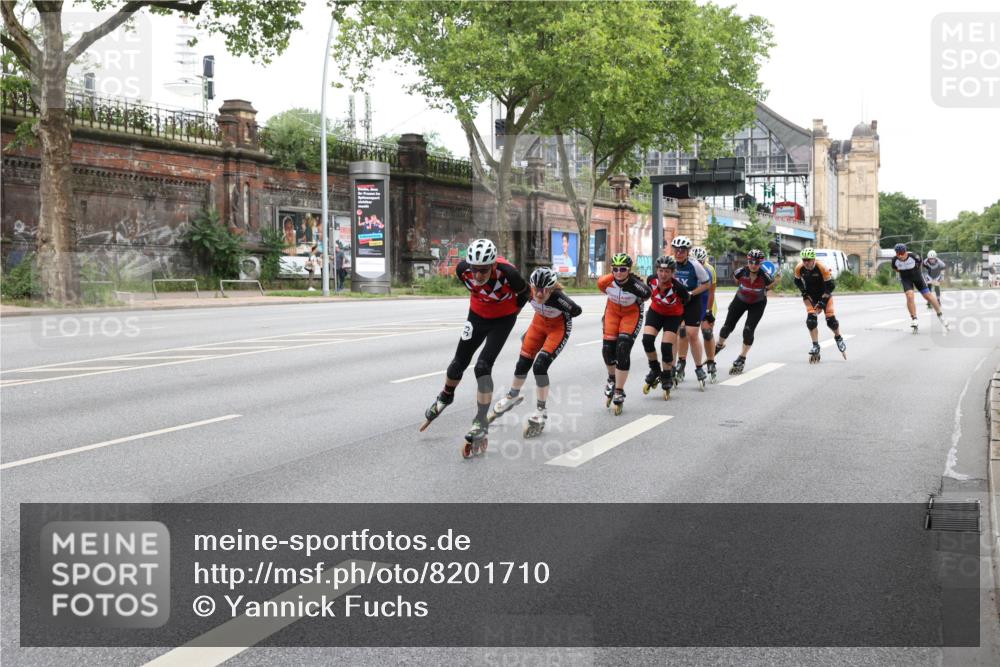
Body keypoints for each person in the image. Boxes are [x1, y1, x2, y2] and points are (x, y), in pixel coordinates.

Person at [420, 239, 529, 458]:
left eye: (483, 270)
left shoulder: (508, 273)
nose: (478, 275)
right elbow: (476, 290)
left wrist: (508, 315)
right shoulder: (462, 270)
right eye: (475, 270)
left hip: (503, 319)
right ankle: (445, 396)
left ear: (493, 266)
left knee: (482, 367)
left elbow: (525, 295)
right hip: (477, 315)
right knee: (457, 364)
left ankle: (480, 422)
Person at [490, 267, 582, 437]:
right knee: (523, 361)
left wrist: (562, 310)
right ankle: (512, 396)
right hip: (538, 324)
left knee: (540, 366)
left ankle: (541, 410)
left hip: (558, 328)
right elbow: (513, 308)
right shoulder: (527, 292)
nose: (539, 294)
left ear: (552, 289)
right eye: (537, 289)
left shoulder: (559, 298)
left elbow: (577, 311)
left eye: (545, 290)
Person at [597, 253, 652, 415]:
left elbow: (647, 295)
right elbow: (606, 292)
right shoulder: (603, 282)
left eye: (623, 269)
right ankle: (611, 378)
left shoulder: (638, 286)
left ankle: (619, 390)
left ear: (629, 270)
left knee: (622, 347)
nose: (619, 272)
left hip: (631, 315)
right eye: (615, 269)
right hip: (612, 313)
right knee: (607, 349)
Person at [715, 249, 774, 375]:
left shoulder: (765, 275)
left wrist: (763, 290)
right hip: (740, 300)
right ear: (748, 261)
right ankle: (719, 345)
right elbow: (735, 279)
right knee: (727, 327)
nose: (753, 265)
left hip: (757, 304)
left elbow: (771, 284)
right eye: (751, 262)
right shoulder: (741, 271)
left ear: (761, 263)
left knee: (748, 330)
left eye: (757, 263)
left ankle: (742, 357)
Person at [641, 255, 690, 400]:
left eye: (667, 271)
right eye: (661, 271)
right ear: (656, 270)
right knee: (647, 340)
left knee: (666, 347)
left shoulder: (678, 288)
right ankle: (655, 369)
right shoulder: (651, 280)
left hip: (673, 316)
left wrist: (681, 321)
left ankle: (667, 376)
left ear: (673, 272)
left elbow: (686, 301)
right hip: (656, 312)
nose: (663, 274)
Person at [669, 236, 711, 387]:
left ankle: (699, 367)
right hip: (675, 302)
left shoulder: (695, 265)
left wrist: (692, 293)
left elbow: (707, 284)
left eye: (682, 250)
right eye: (676, 250)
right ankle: (672, 367)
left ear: (687, 252)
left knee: (692, 334)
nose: (679, 253)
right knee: (673, 334)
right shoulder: (670, 263)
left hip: (692, 301)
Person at [794, 248, 847, 363]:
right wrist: (803, 292)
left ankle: (838, 337)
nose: (806, 262)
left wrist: (823, 301)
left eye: (808, 260)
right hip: (810, 296)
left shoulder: (822, 267)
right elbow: (797, 281)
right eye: (804, 260)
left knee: (831, 321)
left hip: (824, 294)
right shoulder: (799, 267)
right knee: (811, 321)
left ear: (814, 259)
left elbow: (830, 286)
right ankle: (815, 345)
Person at [890, 243, 947, 333]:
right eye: (897, 253)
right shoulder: (894, 260)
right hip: (906, 279)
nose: (900, 255)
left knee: (928, 296)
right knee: (909, 296)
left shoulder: (914, 257)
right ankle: (914, 319)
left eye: (901, 253)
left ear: (905, 252)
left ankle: (940, 314)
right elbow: (895, 269)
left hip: (917, 278)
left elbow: (920, 265)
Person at [689, 246, 718, 382]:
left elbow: (711, 292)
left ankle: (711, 361)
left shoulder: (710, 269)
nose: (698, 266)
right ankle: (681, 362)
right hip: (693, 302)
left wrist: (708, 311)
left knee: (707, 333)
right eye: (696, 262)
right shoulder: (688, 266)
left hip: (706, 301)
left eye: (701, 262)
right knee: (683, 332)